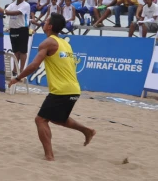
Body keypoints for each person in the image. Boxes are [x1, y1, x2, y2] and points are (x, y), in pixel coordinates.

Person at [8, 13, 95, 161]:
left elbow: (34, 65)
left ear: (50, 26)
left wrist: (17, 78)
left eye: (46, 21)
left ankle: (49, 156)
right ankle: (87, 131)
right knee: (58, 119)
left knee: (40, 120)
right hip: (73, 88)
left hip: (61, 90)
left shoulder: (47, 43)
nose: (44, 22)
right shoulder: (65, 43)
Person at [0, 0, 33, 71]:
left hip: (22, 29)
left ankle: (21, 70)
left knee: (23, 51)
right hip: (13, 29)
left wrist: (3, 11)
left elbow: (16, 13)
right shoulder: (13, 4)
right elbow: (7, 10)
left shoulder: (26, 5)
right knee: (16, 51)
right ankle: (15, 70)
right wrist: (3, 11)